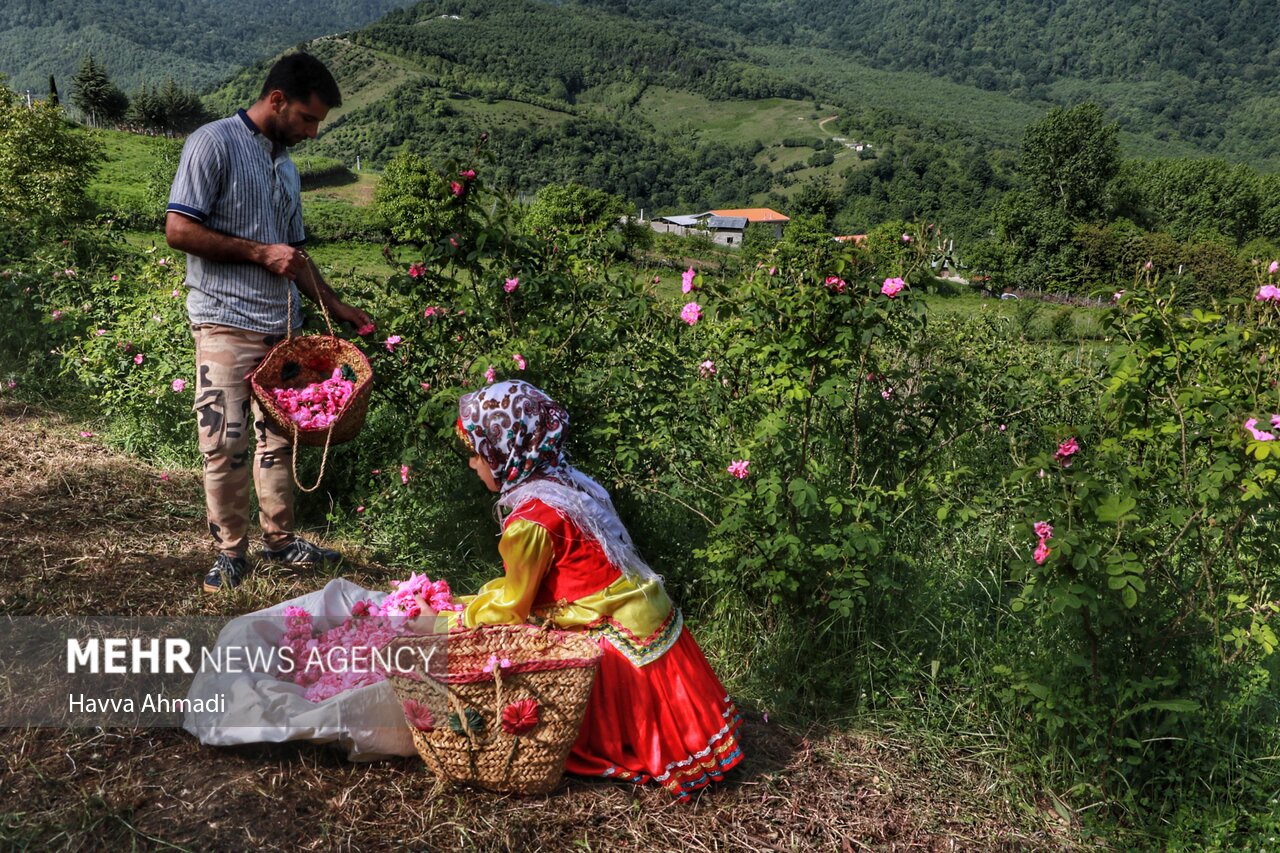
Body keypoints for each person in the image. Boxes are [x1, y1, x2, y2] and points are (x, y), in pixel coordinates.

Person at [442, 380, 744, 801]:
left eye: (477, 452)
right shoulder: (568, 485)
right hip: (649, 617)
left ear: (503, 451)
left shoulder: (530, 518)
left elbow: (513, 606)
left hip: (618, 645)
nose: (473, 464)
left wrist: (454, 616)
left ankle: (613, 740)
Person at [165, 52, 372, 593]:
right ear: (277, 100)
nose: (311, 131)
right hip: (225, 323)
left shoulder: (285, 165)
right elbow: (179, 230)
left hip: (283, 328)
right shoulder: (211, 144)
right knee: (224, 439)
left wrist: (336, 304)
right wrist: (260, 255)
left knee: (280, 438)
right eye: (307, 119)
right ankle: (230, 553)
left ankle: (279, 542)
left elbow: (296, 255)